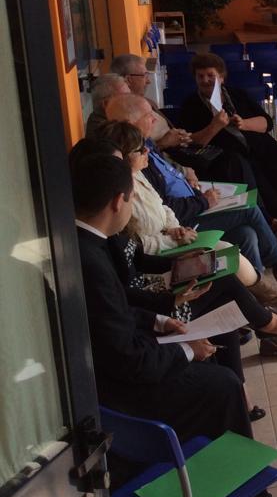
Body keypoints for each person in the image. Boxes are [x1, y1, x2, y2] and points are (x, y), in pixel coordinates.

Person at [71, 149, 252, 443]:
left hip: (126, 350)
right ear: (118, 202)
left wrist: (159, 321)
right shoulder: (92, 260)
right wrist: (187, 350)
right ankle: (233, 470)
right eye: (132, 198)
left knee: (210, 354)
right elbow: (127, 358)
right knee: (223, 385)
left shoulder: (87, 243)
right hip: (121, 391)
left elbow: (113, 311)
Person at [105, 94, 277, 293]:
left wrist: (185, 172)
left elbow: (167, 185)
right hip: (188, 219)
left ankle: (258, 297)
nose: (154, 118)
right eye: (148, 115)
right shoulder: (135, 164)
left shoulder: (145, 145)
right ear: (130, 123)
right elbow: (165, 206)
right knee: (249, 209)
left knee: (247, 234)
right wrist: (203, 202)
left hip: (190, 206)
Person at [178, 53, 277, 252]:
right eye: (200, 76)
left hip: (259, 148)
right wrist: (215, 126)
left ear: (221, 77)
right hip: (226, 158)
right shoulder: (191, 104)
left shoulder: (237, 94)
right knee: (256, 178)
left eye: (210, 75)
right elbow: (191, 143)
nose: (205, 80)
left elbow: (266, 123)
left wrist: (244, 123)